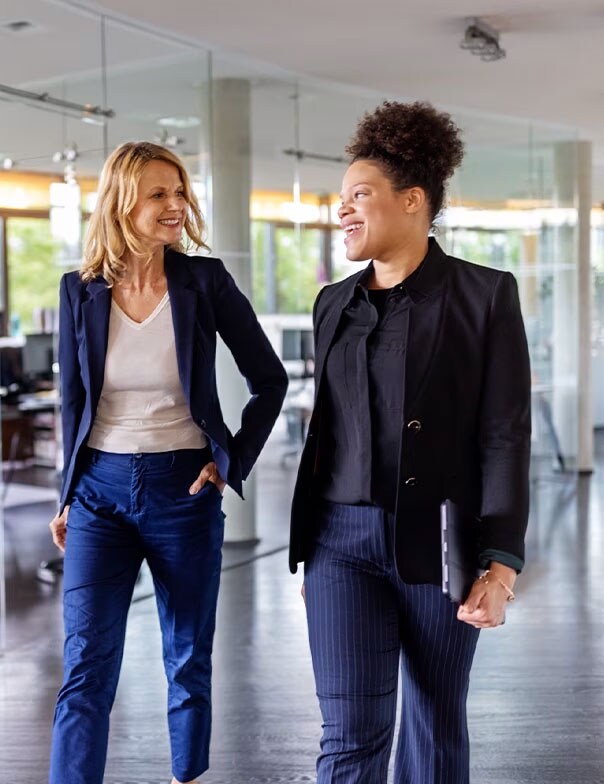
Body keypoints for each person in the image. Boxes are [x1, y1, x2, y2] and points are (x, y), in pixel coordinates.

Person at [288, 101, 531, 783]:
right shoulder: (332, 303)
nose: (342, 210)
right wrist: (312, 553)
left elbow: (505, 436)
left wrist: (500, 565)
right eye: (341, 199)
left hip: (439, 540)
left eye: (359, 195)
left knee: (433, 723)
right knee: (348, 735)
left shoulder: (484, 296)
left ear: (413, 200)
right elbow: (329, 429)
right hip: (339, 545)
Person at [48, 141, 288, 784]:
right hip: (98, 493)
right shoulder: (79, 290)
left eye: (179, 191)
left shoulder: (203, 282)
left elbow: (270, 380)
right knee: (86, 665)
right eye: (158, 194)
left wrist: (232, 461)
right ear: (121, 203)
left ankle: (186, 776)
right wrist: (66, 495)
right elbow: (72, 401)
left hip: (184, 489)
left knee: (186, 658)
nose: (175, 205)